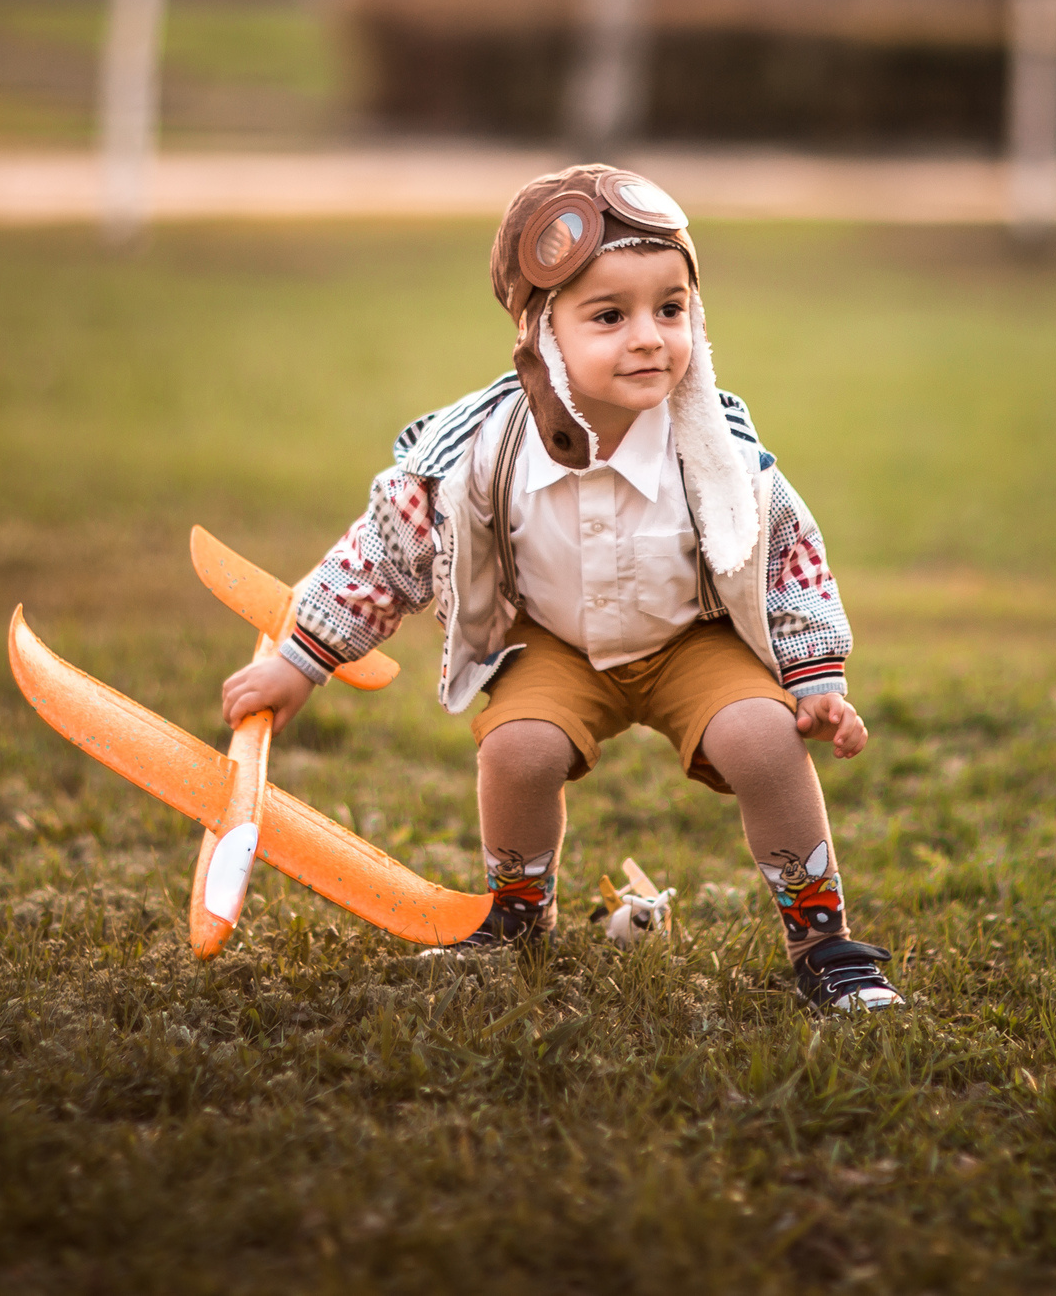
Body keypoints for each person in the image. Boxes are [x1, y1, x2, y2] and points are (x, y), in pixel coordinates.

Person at [219, 165, 903, 1013]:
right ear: (543, 334)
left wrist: (817, 682)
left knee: (766, 743)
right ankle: (516, 921)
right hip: (555, 644)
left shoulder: (715, 451)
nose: (650, 336)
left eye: (671, 307)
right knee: (519, 750)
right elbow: (382, 553)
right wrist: (301, 660)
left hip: (692, 639)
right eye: (610, 316)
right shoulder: (477, 453)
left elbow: (789, 557)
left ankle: (824, 940)